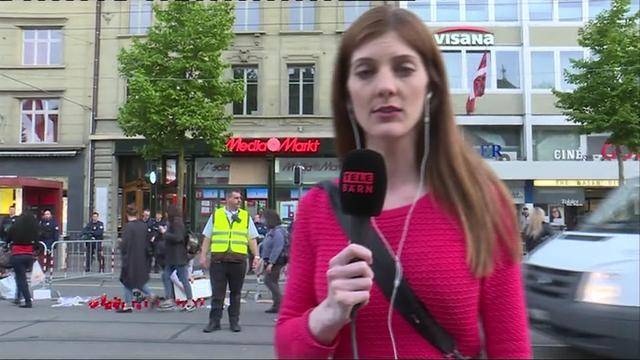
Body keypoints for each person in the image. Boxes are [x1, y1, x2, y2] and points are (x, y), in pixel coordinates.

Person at [274, 7, 530, 358]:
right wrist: (327, 316)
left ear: (430, 88)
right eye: (365, 72)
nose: (385, 86)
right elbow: (287, 346)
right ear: (348, 96)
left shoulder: (480, 201)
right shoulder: (316, 208)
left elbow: (512, 348)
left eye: (404, 69)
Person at [199, 189, 260, 333]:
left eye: (240, 198)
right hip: (219, 261)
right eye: (236, 198)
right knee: (217, 294)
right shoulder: (216, 215)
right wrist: (203, 255)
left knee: (236, 293)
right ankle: (214, 322)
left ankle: (234, 322)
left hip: (238, 261)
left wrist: (256, 256)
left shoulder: (245, 217)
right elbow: (207, 237)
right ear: (227, 199)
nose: (239, 200)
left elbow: (251, 238)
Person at [118, 204, 157, 313]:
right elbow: (148, 242)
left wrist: (120, 246)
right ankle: (151, 295)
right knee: (137, 280)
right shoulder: (143, 226)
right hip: (142, 258)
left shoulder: (128, 227)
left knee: (127, 281)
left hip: (130, 258)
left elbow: (125, 244)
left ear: (127, 215)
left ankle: (128, 305)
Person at [158, 205, 196, 311]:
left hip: (177, 256)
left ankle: (189, 300)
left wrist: (165, 233)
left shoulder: (177, 223)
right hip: (174, 256)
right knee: (166, 276)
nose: (165, 214)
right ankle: (171, 299)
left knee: (182, 278)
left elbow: (178, 238)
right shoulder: (176, 222)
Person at [6, 210, 38, 308]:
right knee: (21, 276)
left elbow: (8, 237)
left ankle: (27, 300)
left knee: (21, 278)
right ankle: (18, 297)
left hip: (17, 254)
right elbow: (37, 241)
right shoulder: (33, 227)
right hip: (29, 255)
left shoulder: (16, 226)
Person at [259, 209, 288, 314]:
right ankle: (277, 304)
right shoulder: (271, 231)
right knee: (272, 281)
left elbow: (278, 247)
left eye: (264, 218)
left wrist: (271, 262)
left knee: (269, 281)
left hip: (276, 261)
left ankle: (280, 302)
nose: (262, 220)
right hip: (272, 260)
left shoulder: (277, 231)